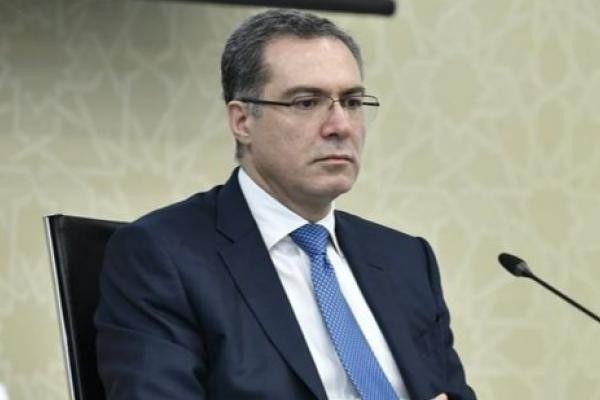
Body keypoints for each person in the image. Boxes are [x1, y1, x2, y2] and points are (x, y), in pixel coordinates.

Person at [95, 8, 476, 400]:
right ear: (242, 121)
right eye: (307, 102)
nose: (340, 126)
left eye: (351, 102)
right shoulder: (163, 256)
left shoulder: (405, 260)